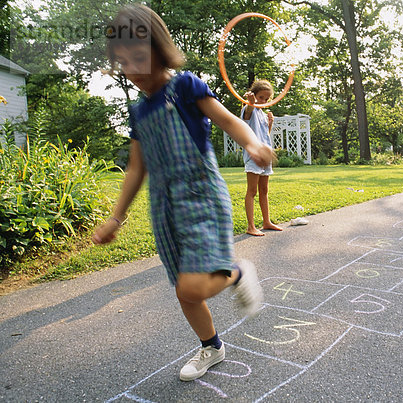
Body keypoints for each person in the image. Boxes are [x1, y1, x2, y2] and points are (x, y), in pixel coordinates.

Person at [92, 4, 273, 381]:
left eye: (140, 57)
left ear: (159, 49)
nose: (134, 70)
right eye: (124, 63)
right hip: (165, 209)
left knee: (194, 284)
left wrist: (253, 144)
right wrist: (115, 217)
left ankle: (238, 272)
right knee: (185, 292)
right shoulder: (138, 111)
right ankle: (213, 347)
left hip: (201, 195)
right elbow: (136, 168)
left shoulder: (185, 86)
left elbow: (225, 119)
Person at [241, 80, 282, 236]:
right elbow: (247, 115)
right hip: (254, 156)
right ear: (254, 95)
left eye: (266, 98)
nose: (263, 101)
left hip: (265, 156)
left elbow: (264, 135)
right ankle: (251, 226)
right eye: (261, 97)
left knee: (264, 190)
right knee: (252, 191)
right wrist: (251, 103)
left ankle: (266, 221)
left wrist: (269, 123)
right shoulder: (248, 108)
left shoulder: (263, 114)